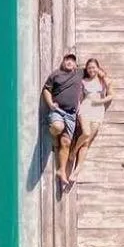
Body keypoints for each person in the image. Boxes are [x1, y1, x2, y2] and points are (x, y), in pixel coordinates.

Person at [43, 50, 82, 187]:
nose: (69, 62)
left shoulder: (79, 74)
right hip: (58, 111)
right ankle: (54, 136)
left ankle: (61, 171)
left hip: (71, 114)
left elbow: (95, 71)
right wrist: (50, 104)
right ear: (63, 62)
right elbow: (46, 90)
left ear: (75, 64)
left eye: (72, 60)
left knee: (66, 143)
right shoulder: (56, 75)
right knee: (57, 127)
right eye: (67, 60)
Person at [69, 57, 113, 176]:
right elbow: (79, 97)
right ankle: (73, 151)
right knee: (86, 133)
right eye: (89, 68)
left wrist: (100, 101)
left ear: (98, 68)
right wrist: (77, 109)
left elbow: (111, 95)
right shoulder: (83, 81)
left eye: (93, 67)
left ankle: (76, 170)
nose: (91, 70)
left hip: (98, 110)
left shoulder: (104, 81)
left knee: (87, 142)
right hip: (85, 108)